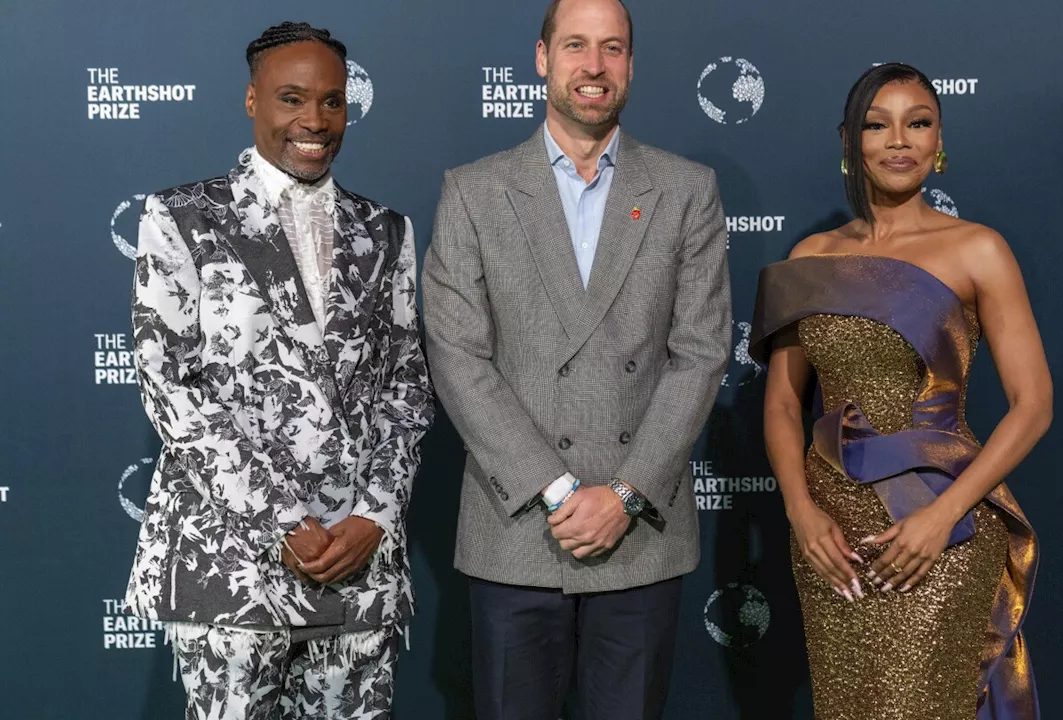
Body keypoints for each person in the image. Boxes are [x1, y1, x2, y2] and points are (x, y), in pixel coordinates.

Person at [419, 0, 731, 716]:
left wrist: (622, 496)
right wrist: (560, 492)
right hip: (519, 528)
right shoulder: (473, 191)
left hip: (640, 535)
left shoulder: (685, 191)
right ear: (542, 57)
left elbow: (701, 353)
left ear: (630, 64)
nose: (594, 66)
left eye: (612, 49)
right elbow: (459, 357)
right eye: (576, 46)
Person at [124, 22, 433, 719]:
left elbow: (407, 391)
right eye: (292, 98)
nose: (314, 121)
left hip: (358, 571)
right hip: (232, 569)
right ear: (252, 101)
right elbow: (173, 389)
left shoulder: (386, 230)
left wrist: (375, 517)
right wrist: (284, 522)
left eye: (331, 101)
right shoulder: (182, 217)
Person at [751, 62, 1051, 720]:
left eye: (918, 124)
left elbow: (1033, 406)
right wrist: (801, 513)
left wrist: (944, 517)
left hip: (940, 532)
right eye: (877, 124)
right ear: (849, 142)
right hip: (832, 544)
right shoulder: (810, 259)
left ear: (938, 141)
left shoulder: (978, 250)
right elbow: (780, 404)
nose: (899, 140)